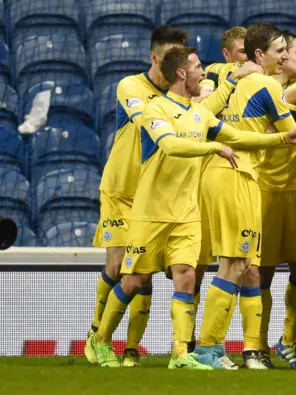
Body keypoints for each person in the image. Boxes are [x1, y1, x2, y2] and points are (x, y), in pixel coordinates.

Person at [92, 46, 296, 369]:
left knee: (185, 277)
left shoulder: (202, 113)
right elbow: (170, 145)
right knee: (133, 281)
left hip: (186, 213)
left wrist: (284, 138)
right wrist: (213, 147)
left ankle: (181, 354)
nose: (203, 72)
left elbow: (239, 138)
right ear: (182, 73)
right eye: (198, 67)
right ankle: (100, 341)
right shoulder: (156, 111)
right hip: (151, 212)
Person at [194, 23, 296, 370]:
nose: (287, 57)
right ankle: (217, 348)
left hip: (233, 175)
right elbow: (294, 135)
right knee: (242, 266)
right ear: (260, 55)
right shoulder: (264, 85)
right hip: (244, 178)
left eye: (292, 52)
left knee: (246, 265)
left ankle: (227, 347)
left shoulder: (239, 82)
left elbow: (206, 117)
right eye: (281, 52)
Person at [86, 26, 189, 368]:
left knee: (142, 273)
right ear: (153, 57)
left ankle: (131, 348)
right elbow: (145, 119)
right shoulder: (130, 86)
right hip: (120, 190)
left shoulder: (187, 96)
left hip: (153, 197)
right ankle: (96, 332)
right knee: (117, 267)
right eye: (168, 60)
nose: (174, 67)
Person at [256, 30, 296, 369]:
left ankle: (287, 340)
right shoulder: (258, 87)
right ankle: (257, 344)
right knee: (260, 276)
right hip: (263, 189)